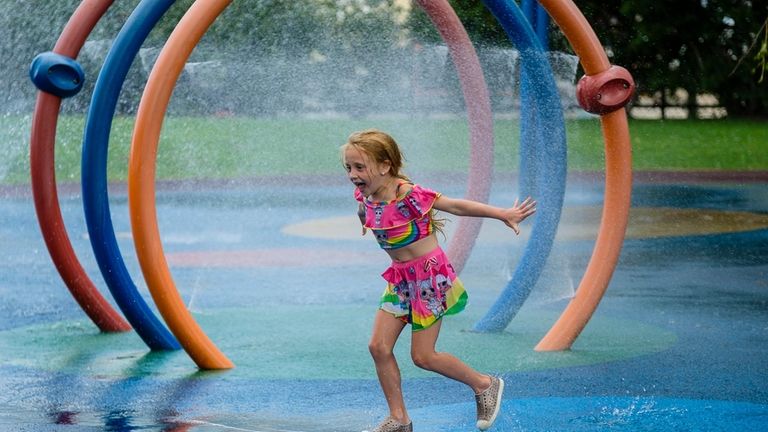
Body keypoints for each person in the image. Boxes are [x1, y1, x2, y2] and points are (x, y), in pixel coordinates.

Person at [341, 129, 536, 432]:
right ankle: (399, 420)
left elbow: (457, 206)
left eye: (359, 167)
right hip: (401, 280)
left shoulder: (409, 194)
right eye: (348, 168)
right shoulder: (365, 196)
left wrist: (502, 214)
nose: (353, 174)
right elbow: (367, 213)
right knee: (378, 347)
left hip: (430, 277)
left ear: (385, 166)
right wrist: (363, 214)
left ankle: (484, 384)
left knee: (423, 356)